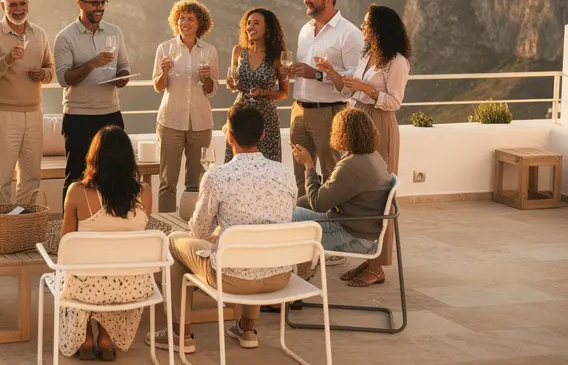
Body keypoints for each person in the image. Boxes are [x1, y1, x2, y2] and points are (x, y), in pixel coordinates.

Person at [148, 106, 297, 353]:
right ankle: (247, 329)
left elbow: (198, 230)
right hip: (280, 276)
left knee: (174, 242)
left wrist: (218, 232)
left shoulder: (217, 176)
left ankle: (180, 335)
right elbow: (280, 218)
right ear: (262, 135)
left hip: (231, 279)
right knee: (256, 240)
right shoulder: (285, 173)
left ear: (229, 136)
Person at [317, 4, 410, 282]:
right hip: (358, 123)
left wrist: (365, 89)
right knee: (359, 192)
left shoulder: (396, 61)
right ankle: (367, 256)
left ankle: (377, 265)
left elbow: (394, 101)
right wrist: (331, 71)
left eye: (367, 24)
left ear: (381, 28)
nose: (362, 27)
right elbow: (347, 88)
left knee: (378, 195)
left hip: (380, 123)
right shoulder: (368, 54)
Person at [59, 126, 154, 361]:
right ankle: (106, 337)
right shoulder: (146, 193)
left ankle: (86, 338)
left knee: (80, 269)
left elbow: (66, 247)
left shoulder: (77, 192)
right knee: (112, 269)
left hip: (86, 289)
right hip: (132, 287)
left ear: (94, 157)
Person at [291, 108, 394, 287]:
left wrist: (308, 164)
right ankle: (302, 271)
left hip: (352, 237)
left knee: (286, 217)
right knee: (296, 205)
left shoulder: (350, 166)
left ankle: (296, 277)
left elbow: (318, 203)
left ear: (342, 133)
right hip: (366, 232)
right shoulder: (373, 157)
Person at [281, 0, 363, 196]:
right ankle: (305, 222)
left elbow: (353, 81)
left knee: (331, 174)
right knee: (301, 176)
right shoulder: (305, 30)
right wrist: (293, 71)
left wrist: (316, 74)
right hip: (298, 111)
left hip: (329, 113)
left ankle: (330, 225)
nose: (306, 0)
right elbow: (305, 71)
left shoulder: (350, 34)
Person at [54, 0, 131, 203]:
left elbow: (123, 64)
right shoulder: (66, 37)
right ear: (80, 3)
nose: (99, 7)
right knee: (77, 176)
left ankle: (112, 222)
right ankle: (69, 229)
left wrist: (123, 77)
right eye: (94, 3)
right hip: (79, 117)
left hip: (111, 114)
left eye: (102, 2)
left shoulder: (115, 32)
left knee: (116, 173)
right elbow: (63, 79)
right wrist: (92, 64)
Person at [0, 0, 55, 204]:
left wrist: (43, 74)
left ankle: (23, 229)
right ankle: (1, 233)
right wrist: (8, 59)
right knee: (1, 179)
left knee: (31, 178)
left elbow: (51, 69)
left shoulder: (39, 33)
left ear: (28, 6)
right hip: (3, 114)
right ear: (3, 6)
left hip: (34, 113)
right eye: (13, 4)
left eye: (22, 4)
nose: (18, 9)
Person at [152, 0, 218, 213]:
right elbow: (158, 86)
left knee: (196, 182)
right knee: (167, 182)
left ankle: (192, 226)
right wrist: (164, 73)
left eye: (190, 19)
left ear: (200, 24)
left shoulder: (210, 52)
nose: (185, 22)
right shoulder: (165, 48)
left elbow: (211, 90)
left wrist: (208, 78)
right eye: (182, 18)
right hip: (170, 121)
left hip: (200, 123)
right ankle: (166, 228)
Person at [223, 7, 289, 163]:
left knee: (268, 163)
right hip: (240, 113)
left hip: (266, 117)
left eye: (256, 23)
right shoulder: (238, 51)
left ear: (267, 28)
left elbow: (284, 93)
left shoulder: (278, 56)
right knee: (236, 163)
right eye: (248, 23)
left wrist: (263, 93)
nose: (250, 27)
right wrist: (232, 84)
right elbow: (234, 82)